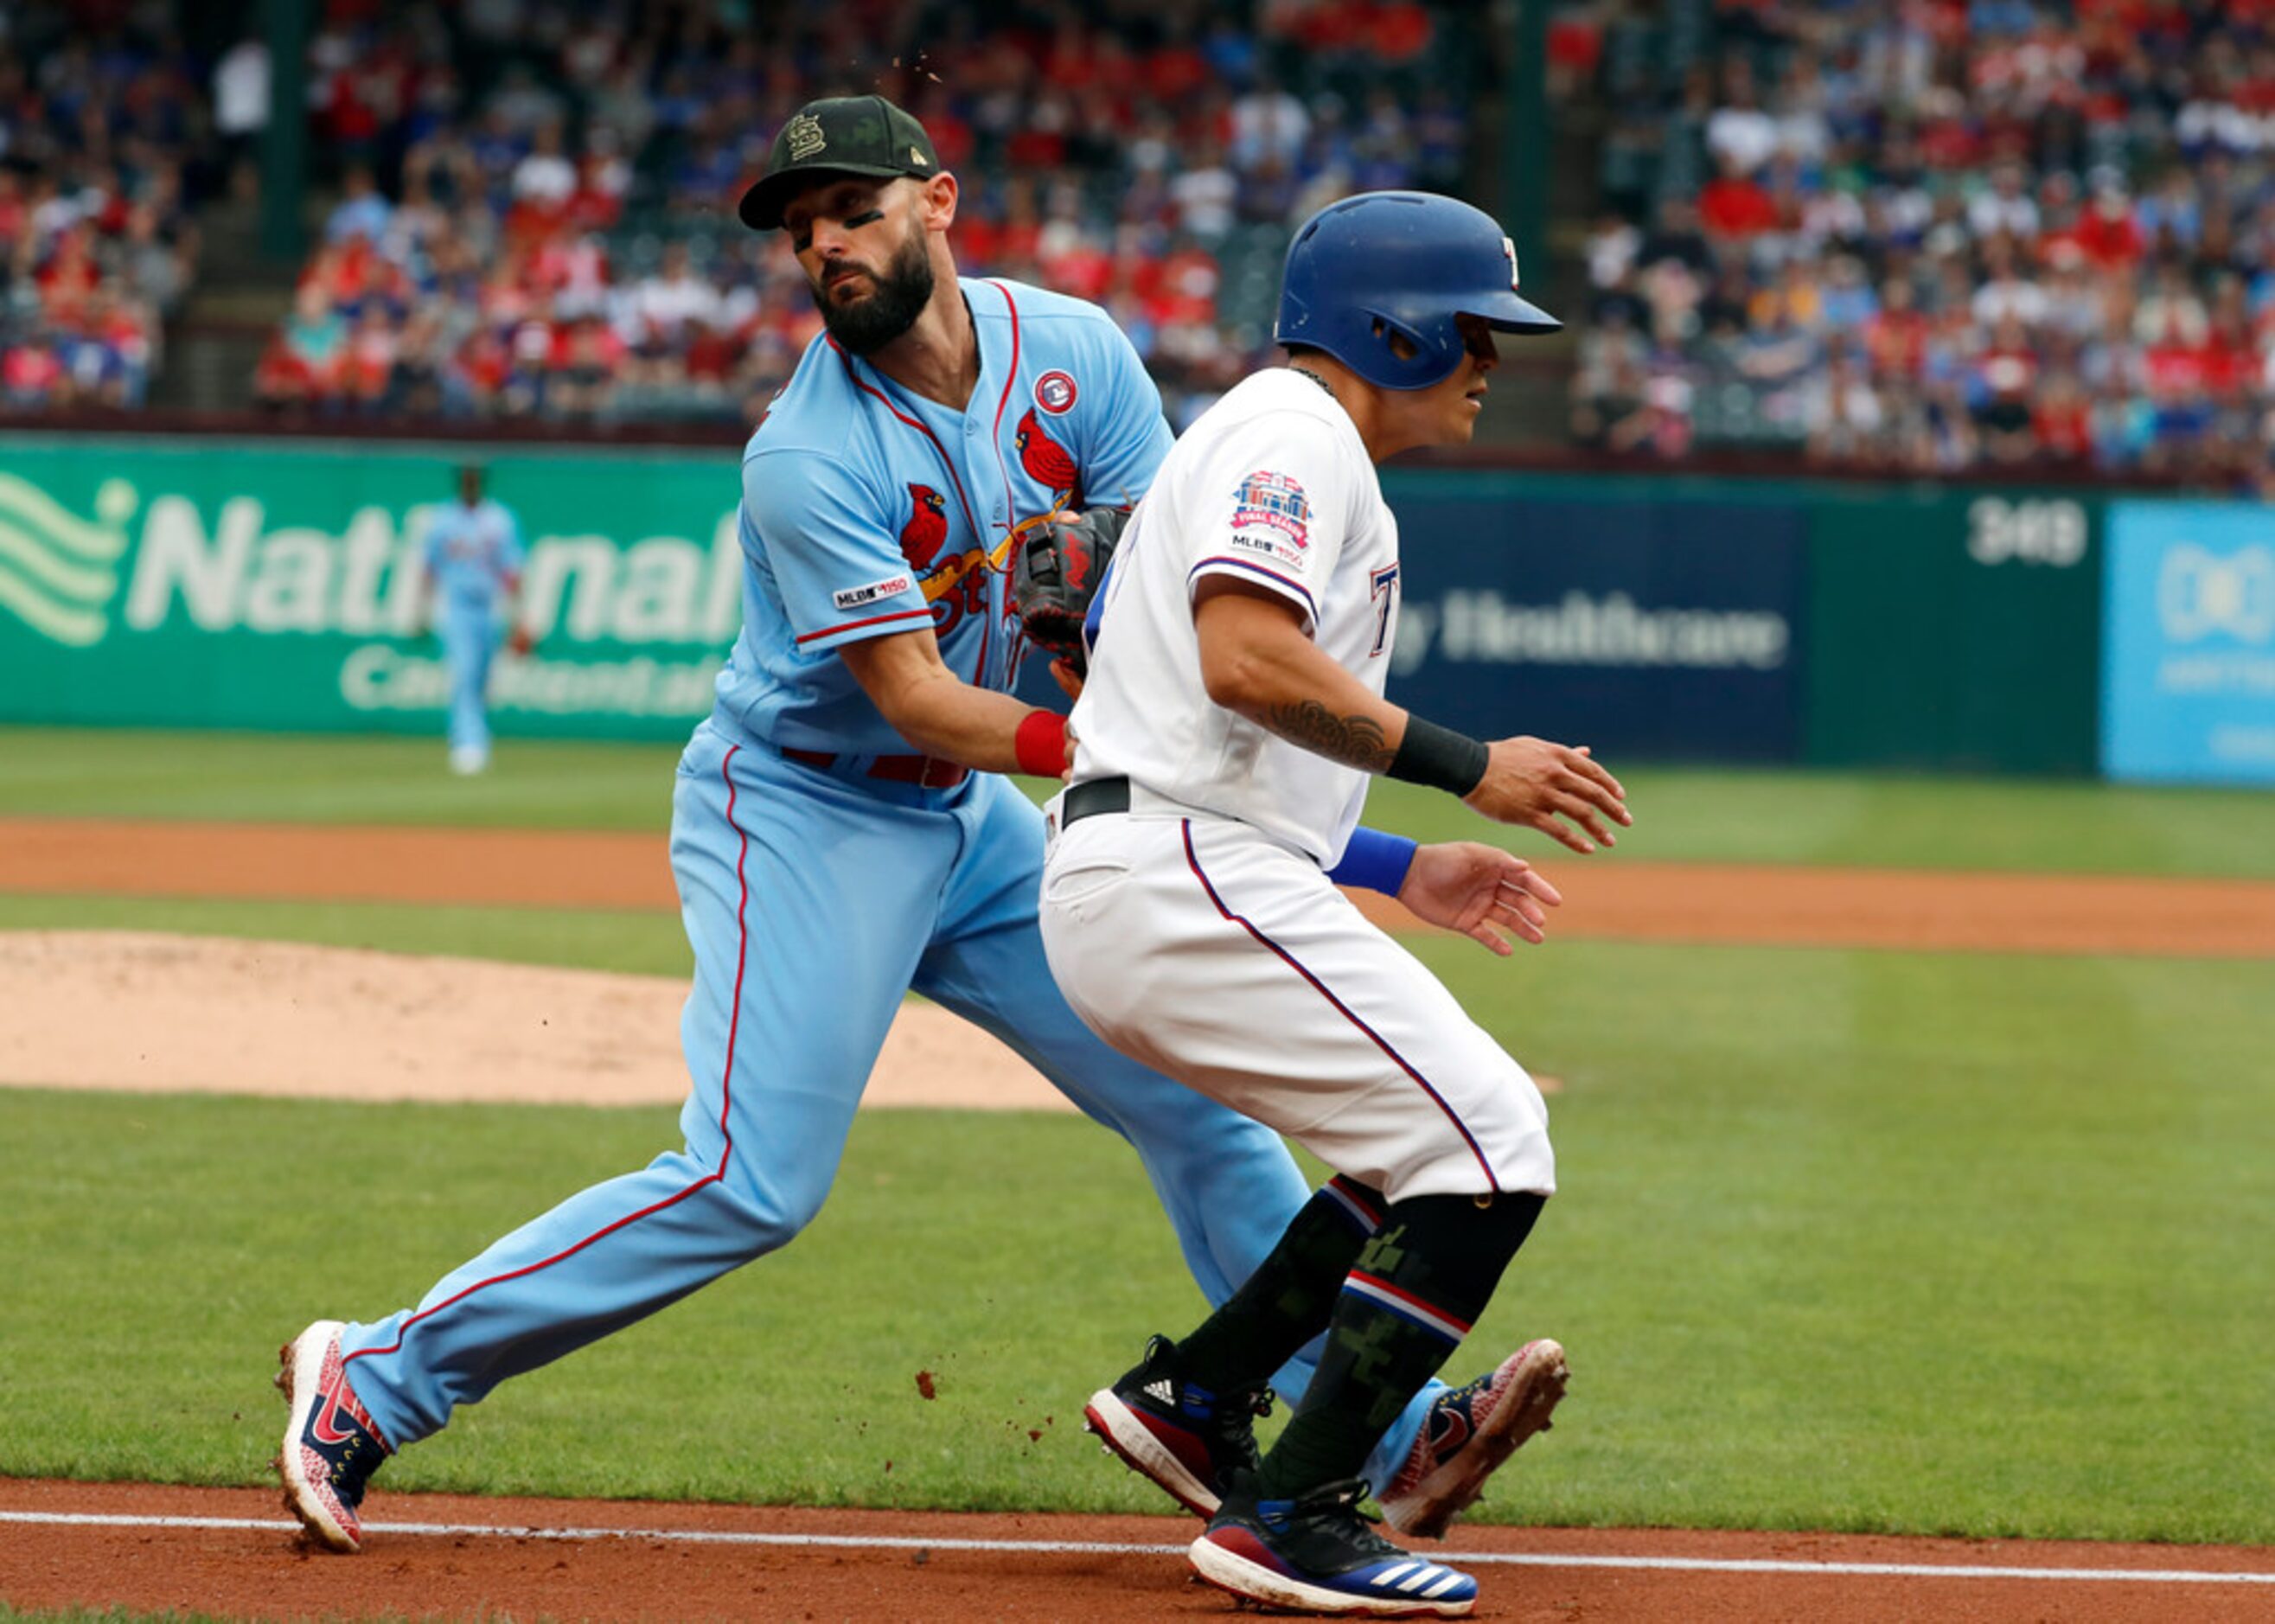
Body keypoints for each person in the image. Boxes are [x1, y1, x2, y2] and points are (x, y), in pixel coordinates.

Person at [272, 98, 1528, 1557]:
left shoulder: (1076, 357)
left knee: (1202, 1107)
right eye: (801, 229)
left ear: (936, 202)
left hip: (985, 820)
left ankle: (1374, 1417)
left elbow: (1172, 658)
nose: (823, 245)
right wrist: (1122, 733)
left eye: (852, 210)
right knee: (753, 1179)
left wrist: (1376, 854)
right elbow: (928, 702)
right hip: (804, 802)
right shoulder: (806, 454)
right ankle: (377, 1372)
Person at [1038, 191, 1631, 1616]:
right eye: (1473, 327)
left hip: (1165, 862)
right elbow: (1243, 658)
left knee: (1408, 1140)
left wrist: (1397, 863)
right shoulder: (1293, 435)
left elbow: (1212, 739)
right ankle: (1291, 1512)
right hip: (1171, 873)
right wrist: (1468, 769)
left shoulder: (1293, 440)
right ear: (1394, 329)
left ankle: (1199, 1395)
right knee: (1491, 1138)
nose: (1492, 358)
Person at [419, 464, 526, 775]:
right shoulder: (442, 520)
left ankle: (472, 738)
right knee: (464, 674)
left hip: (488, 607)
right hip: (455, 606)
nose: (470, 484)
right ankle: (469, 744)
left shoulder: (498, 520)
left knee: (481, 679)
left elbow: (512, 571)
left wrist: (520, 618)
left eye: (474, 478)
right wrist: (421, 610)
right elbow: (428, 568)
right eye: (466, 479)